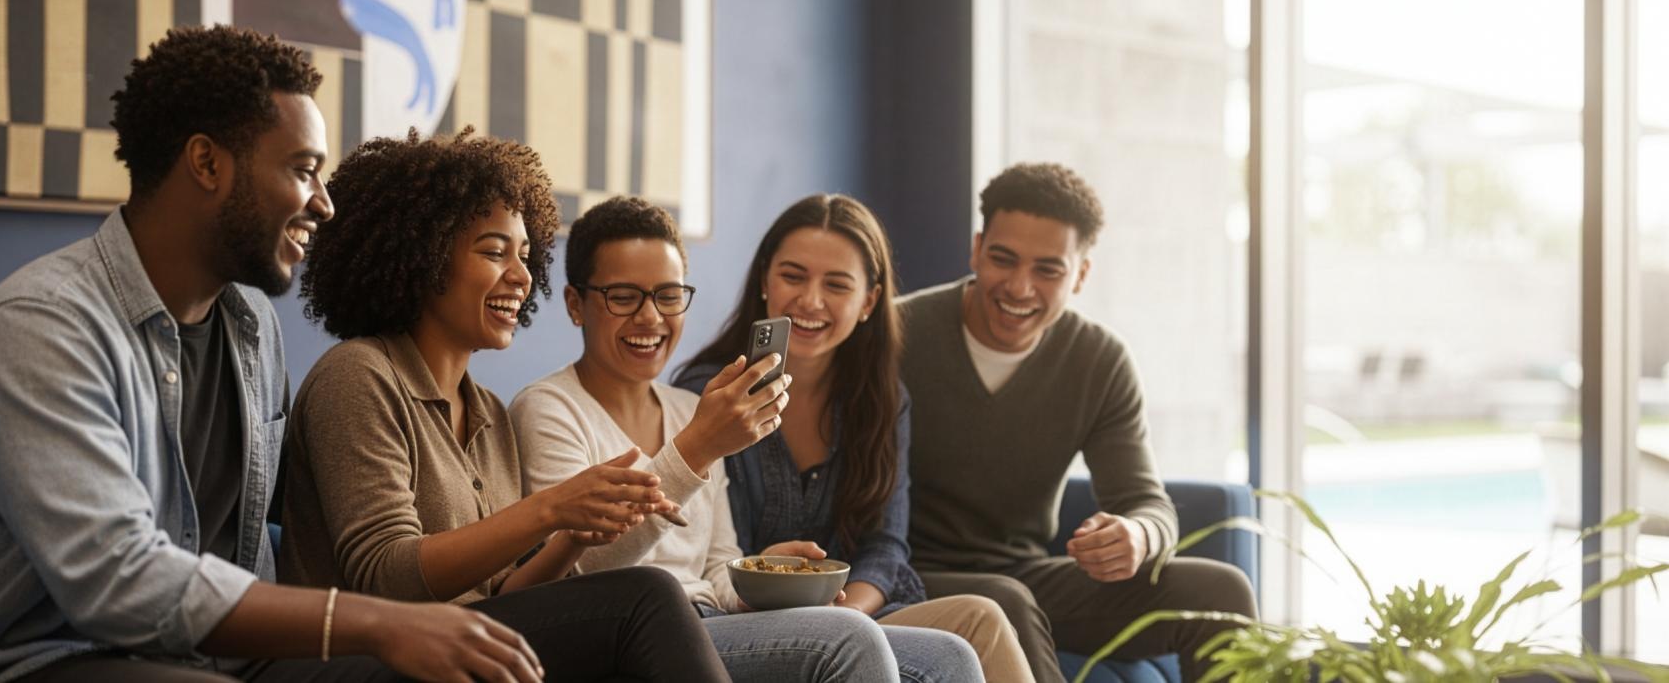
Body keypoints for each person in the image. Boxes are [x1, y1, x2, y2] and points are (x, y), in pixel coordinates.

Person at [0, 26, 547, 682]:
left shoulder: (251, 325)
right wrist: (376, 620)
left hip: (232, 665)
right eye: (304, 170)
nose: (325, 204)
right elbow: (117, 579)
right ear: (207, 163)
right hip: (62, 661)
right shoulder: (41, 327)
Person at [276, 127, 730, 682]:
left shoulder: (489, 412)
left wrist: (574, 538)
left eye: (524, 254)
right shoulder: (358, 376)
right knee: (647, 597)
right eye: (494, 252)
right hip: (364, 657)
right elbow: (384, 578)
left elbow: (504, 595)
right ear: (423, 256)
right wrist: (551, 507)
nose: (521, 276)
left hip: (466, 646)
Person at [511, 197, 941, 682]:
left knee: (948, 657)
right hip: (637, 633)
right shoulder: (550, 409)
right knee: (849, 639)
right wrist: (696, 448)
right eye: (624, 296)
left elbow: (716, 570)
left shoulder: (688, 408)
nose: (650, 318)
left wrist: (759, 576)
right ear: (576, 305)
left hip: (711, 619)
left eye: (668, 296)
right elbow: (580, 570)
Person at [897, 163, 1258, 681]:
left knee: (1221, 591)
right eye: (1003, 259)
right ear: (977, 249)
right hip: (908, 575)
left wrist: (1138, 535)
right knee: (1003, 599)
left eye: (1048, 270)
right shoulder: (898, 335)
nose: (1020, 287)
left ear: (1081, 274)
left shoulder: (1098, 359)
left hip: (1026, 575)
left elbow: (1147, 503)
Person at [673, 194, 1035, 682]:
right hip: (742, 621)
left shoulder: (882, 401)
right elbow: (704, 558)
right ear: (764, 280)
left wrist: (851, 614)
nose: (810, 300)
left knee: (983, 615)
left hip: (851, 617)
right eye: (793, 276)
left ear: (867, 301)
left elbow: (885, 546)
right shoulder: (705, 395)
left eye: (837, 284)